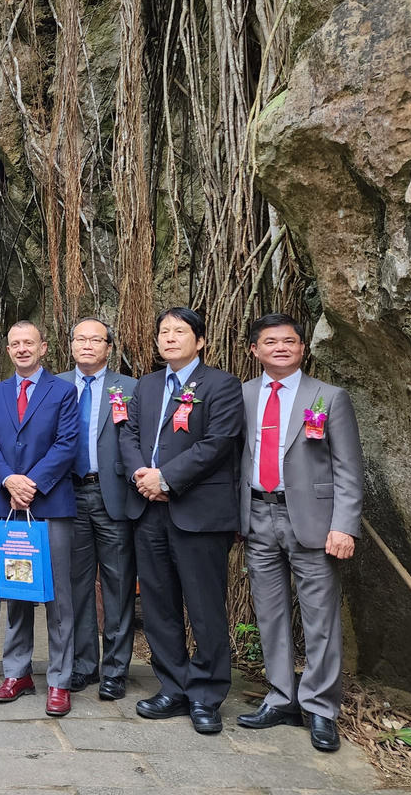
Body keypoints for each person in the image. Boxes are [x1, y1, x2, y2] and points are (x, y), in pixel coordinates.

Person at [236, 313, 363, 752]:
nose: (281, 347)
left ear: (302, 348)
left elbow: (349, 468)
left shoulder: (328, 396)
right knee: (269, 613)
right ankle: (280, 698)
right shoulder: (244, 394)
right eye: (271, 341)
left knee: (320, 617)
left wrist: (344, 526)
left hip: (312, 520)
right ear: (255, 350)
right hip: (257, 514)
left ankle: (321, 707)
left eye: (289, 341)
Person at [120, 307, 243, 734]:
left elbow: (218, 443)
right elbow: (128, 434)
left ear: (200, 340)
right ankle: (173, 686)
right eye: (164, 332)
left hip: (198, 513)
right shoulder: (147, 385)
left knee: (205, 608)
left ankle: (206, 694)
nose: (170, 338)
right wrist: (141, 475)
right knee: (159, 605)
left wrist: (167, 479)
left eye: (180, 331)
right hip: (148, 510)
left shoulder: (222, 385)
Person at [0, 320, 82, 716]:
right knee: (17, 589)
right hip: (9, 506)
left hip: (50, 503)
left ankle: (59, 680)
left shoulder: (63, 391)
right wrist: (9, 480)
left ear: (43, 348)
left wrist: (32, 484)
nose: (22, 349)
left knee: (58, 596)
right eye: (15, 343)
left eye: (29, 342)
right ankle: (17, 673)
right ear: (7, 350)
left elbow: (67, 443)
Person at [56, 318, 138, 702]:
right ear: (71, 344)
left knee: (118, 584)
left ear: (109, 347)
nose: (87, 345)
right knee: (76, 585)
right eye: (81, 339)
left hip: (113, 496)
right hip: (67, 496)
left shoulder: (130, 388)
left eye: (96, 339)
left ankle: (115, 669)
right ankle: (83, 663)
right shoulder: (55, 386)